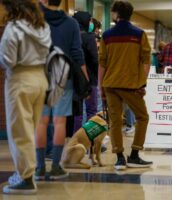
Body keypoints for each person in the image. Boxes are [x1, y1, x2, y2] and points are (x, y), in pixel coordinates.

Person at [0, 0, 51, 194]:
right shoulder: (42, 27)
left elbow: (8, 59)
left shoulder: (13, 28)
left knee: (19, 131)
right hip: (40, 79)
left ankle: (26, 178)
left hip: (20, 79)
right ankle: (26, 172)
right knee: (29, 128)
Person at [35, 0, 87, 180]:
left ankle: (40, 168)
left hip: (39, 74)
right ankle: (56, 167)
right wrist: (85, 79)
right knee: (59, 123)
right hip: (64, 76)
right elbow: (77, 53)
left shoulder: (35, 19)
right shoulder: (71, 23)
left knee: (40, 122)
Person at [99, 0, 153, 170]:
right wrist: (142, 82)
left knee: (115, 121)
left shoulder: (106, 36)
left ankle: (120, 158)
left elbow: (102, 63)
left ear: (115, 14)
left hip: (110, 85)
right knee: (142, 117)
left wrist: (100, 86)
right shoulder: (139, 34)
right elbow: (146, 61)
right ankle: (135, 155)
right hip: (131, 85)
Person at [73, 11, 99, 133]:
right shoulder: (89, 37)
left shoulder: (72, 35)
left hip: (75, 79)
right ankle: (91, 142)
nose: (91, 24)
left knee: (78, 113)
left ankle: (76, 141)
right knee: (91, 111)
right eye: (89, 21)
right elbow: (94, 59)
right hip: (90, 79)